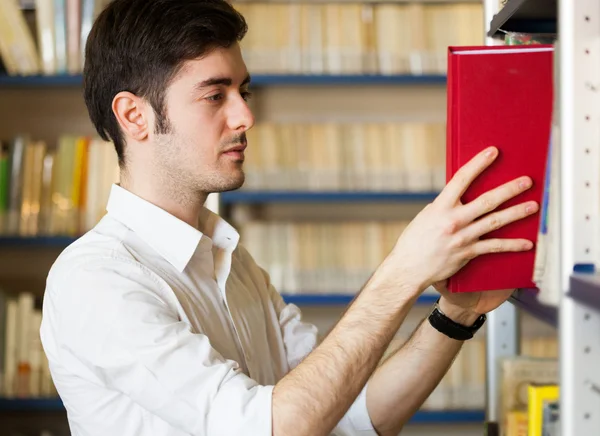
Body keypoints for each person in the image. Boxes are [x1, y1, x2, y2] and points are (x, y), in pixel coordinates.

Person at [39, 1, 539, 435]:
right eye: (215, 95)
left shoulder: (234, 266)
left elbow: (353, 417)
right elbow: (275, 428)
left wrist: (456, 315)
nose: (245, 117)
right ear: (134, 116)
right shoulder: (96, 280)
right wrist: (402, 271)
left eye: (243, 92)